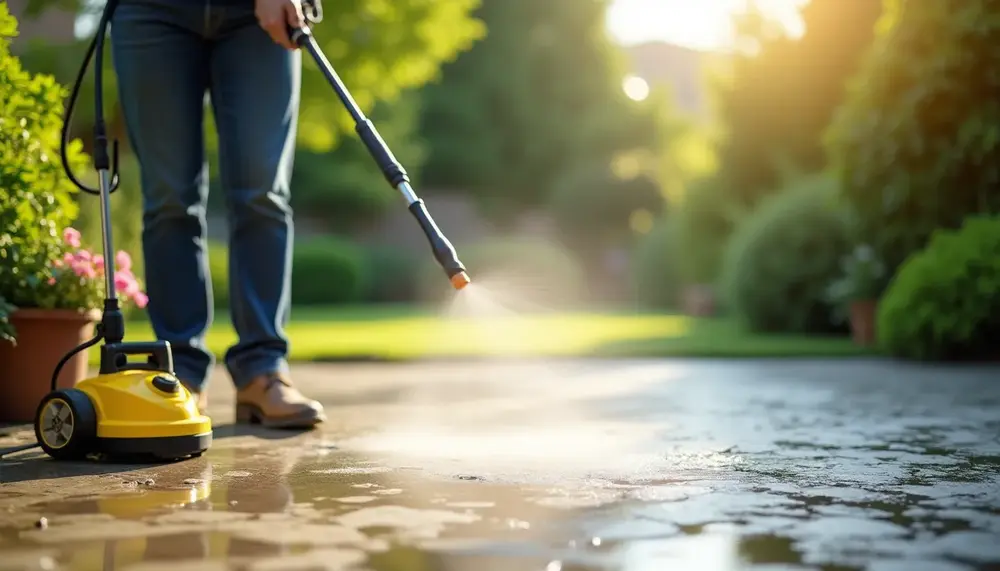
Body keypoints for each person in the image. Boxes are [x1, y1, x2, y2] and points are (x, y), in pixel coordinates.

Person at [109, 0, 325, 428]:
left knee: (263, 193)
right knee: (169, 200)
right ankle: (180, 371)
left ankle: (262, 370)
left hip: (255, 14)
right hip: (151, 11)